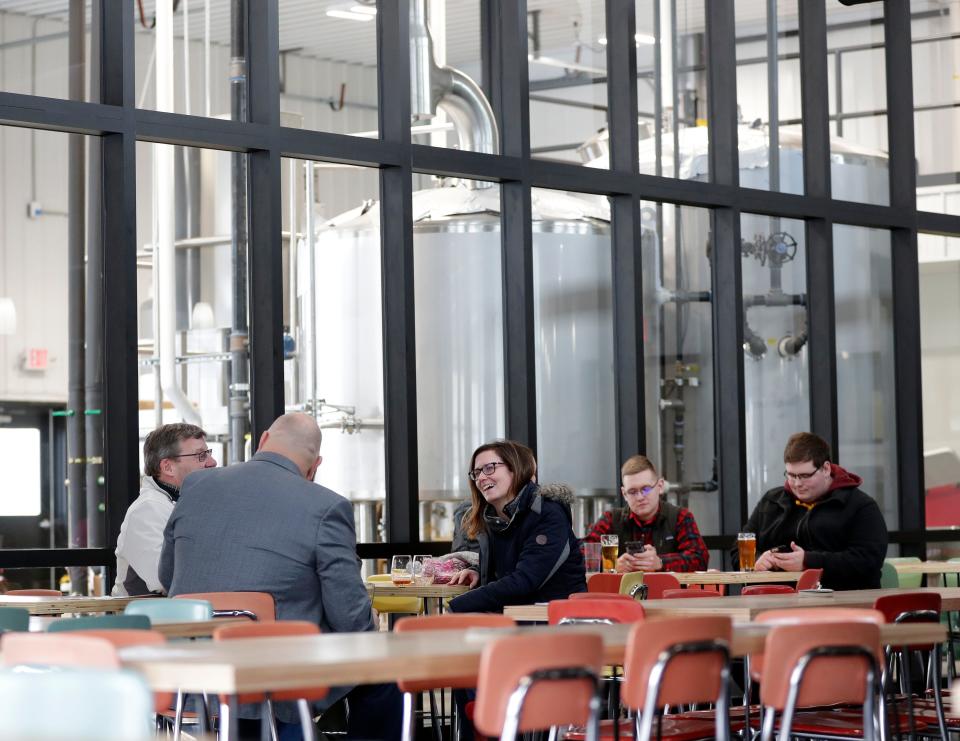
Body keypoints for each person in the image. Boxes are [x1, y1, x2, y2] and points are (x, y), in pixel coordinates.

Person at [159, 413, 401, 741]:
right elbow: (351, 619)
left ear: (262, 441)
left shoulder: (196, 486)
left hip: (193, 679)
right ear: (315, 465)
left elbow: (167, 574)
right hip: (277, 680)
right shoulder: (327, 506)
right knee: (383, 675)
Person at [735, 431, 888, 590]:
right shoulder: (772, 501)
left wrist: (808, 561)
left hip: (842, 602)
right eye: (791, 475)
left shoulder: (860, 506)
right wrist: (758, 560)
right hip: (777, 604)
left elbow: (868, 560)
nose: (797, 483)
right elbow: (738, 549)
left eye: (804, 476)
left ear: (826, 469)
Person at [448, 439, 586, 613]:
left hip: (554, 621)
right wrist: (478, 571)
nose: (481, 477)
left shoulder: (547, 512)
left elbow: (525, 580)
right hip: (512, 617)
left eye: (489, 468)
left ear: (516, 468)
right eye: (476, 472)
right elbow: (511, 566)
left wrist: (457, 605)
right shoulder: (491, 517)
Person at [111, 423, 216, 597]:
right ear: (167, 467)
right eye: (201, 455)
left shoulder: (193, 503)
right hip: (149, 621)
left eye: (209, 453)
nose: (212, 462)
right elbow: (165, 579)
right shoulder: (146, 510)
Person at [583, 454, 709, 573]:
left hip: (667, 595)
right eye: (632, 491)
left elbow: (700, 559)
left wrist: (660, 562)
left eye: (646, 489)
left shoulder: (680, 518)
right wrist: (612, 565)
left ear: (660, 486)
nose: (640, 497)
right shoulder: (610, 520)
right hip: (622, 595)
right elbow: (580, 557)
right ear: (624, 494)